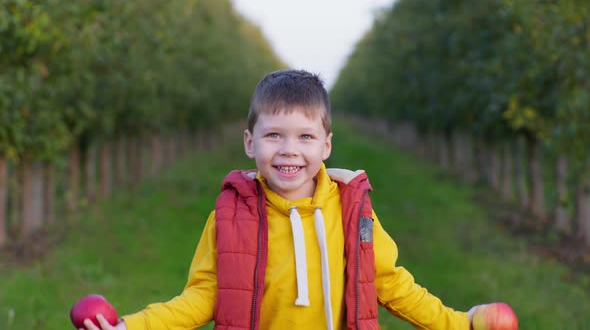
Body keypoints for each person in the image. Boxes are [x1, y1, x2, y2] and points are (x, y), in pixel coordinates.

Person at [81, 69, 486, 330]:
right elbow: (203, 296)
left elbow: (392, 284)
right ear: (249, 142)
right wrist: (132, 326)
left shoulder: (350, 212)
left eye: (305, 137)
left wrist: (459, 323)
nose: (289, 150)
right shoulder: (229, 217)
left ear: (326, 145)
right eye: (274, 135)